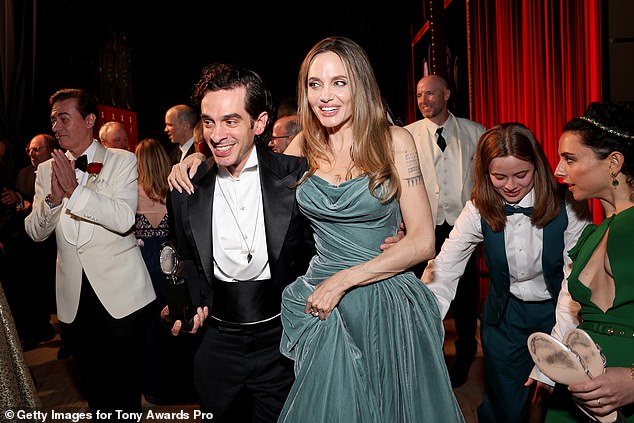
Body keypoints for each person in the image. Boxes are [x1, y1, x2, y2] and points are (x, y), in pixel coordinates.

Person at [276, 35, 463, 422]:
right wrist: (200, 165)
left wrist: (342, 280)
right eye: (315, 84)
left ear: (359, 84)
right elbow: (255, 199)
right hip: (319, 305)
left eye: (339, 82)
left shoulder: (394, 140)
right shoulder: (300, 147)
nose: (325, 96)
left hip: (382, 302)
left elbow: (424, 241)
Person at [164, 62, 315, 423]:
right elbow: (184, 259)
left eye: (231, 121)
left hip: (284, 340)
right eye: (209, 122)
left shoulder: (297, 177)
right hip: (215, 344)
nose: (216, 135)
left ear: (259, 123)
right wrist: (185, 306)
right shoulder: (186, 187)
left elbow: (319, 250)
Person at [423, 122, 590, 422]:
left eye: (521, 175)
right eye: (499, 177)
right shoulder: (478, 208)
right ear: (486, 173)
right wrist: (422, 324)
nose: (510, 185)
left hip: (560, 312)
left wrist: (554, 356)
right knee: (506, 409)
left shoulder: (570, 205)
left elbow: (572, 283)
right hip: (504, 319)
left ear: (537, 166)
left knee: (562, 408)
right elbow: (445, 269)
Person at [24, 88, 156, 419]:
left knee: (125, 393)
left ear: (90, 120)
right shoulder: (45, 171)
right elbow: (35, 232)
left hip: (121, 296)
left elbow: (124, 219)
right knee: (95, 392)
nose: (56, 126)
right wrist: (53, 200)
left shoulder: (122, 160)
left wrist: (75, 190)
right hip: (74, 300)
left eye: (64, 118)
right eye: (53, 119)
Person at [528, 102, 634, 422]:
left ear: (613, 163)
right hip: (578, 393)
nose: (559, 171)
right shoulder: (591, 235)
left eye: (569, 159)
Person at [404, 74, 486, 387]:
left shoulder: (474, 132)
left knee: (464, 294)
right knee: (423, 291)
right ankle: (430, 356)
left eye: (430, 94)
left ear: (447, 94)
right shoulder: (407, 135)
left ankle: (466, 354)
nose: (423, 100)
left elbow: (483, 178)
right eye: (420, 94)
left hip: (462, 226)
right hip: (423, 226)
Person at [133, 137, 199, 405]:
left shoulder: (131, 191)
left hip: (143, 267)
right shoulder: (175, 189)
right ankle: (182, 386)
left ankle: (155, 389)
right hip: (172, 266)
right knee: (177, 322)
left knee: (149, 328)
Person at [0, 134, 58, 351]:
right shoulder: (23, 173)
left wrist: (24, 202)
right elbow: (19, 206)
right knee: (33, 288)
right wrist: (20, 203)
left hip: (54, 243)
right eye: (29, 150)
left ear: (50, 150)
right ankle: (38, 328)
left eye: (36, 149)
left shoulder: (58, 169)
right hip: (29, 243)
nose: (32, 153)